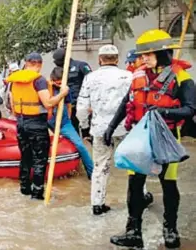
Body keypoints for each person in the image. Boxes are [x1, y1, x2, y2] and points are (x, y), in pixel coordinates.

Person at [105, 30, 195, 249]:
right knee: (135, 185)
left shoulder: (182, 78)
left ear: (162, 53)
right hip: (139, 139)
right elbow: (126, 102)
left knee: (168, 184)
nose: (142, 58)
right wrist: (110, 127)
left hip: (166, 138)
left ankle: (170, 231)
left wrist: (164, 112)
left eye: (148, 54)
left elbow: (190, 109)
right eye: (142, 54)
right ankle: (133, 231)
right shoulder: (138, 75)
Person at [75, 44, 133, 215]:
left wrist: (85, 127)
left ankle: (97, 204)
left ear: (100, 59)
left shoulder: (90, 78)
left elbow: (81, 108)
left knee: (100, 167)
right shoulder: (128, 76)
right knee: (135, 164)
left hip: (99, 128)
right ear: (117, 59)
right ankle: (140, 197)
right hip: (125, 128)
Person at [7, 52, 69, 200]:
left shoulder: (14, 80)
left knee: (25, 158)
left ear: (26, 63)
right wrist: (62, 94)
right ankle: (37, 194)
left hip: (21, 123)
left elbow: (11, 104)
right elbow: (48, 103)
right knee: (39, 160)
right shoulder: (39, 80)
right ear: (40, 65)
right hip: (36, 124)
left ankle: (24, 189)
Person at [48, 67, 94, 181]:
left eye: (60, 83)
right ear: (52, 80)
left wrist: (67, 119)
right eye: (56, 83)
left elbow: (68, 105)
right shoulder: (45, 89)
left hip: (64, 124)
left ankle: (92, 173)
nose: (58, 85)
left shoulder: (65, 90)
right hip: (48, 123)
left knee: (80, 146)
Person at [52, 48, 92, 137]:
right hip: (69, 105)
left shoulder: (81, 65)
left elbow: (91, 82)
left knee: (87, 131)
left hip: (83, 103)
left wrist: (91, 103)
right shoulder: (58, 71)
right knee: (73, 131)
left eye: (58, 60)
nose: (55, 62)